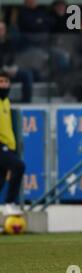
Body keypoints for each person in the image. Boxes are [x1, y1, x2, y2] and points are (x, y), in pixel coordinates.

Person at [0, 71, 25, 216]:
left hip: (8, 146)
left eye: (5, 82)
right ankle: (9, 203)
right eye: (0, 81)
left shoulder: (6, 102)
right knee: (18, 166)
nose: (3, 84)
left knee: (1, 181)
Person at [0, 22, 34, 103]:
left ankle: (26, 102)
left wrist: (14, 67)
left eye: (2, 29)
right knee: (3, 78)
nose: (0, 31)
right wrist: (3, 69)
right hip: (1, 72)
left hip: (10, 70)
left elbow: (13, 57)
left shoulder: (9, 42)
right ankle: (4, 101)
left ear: (5, 31)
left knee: (26, 75)